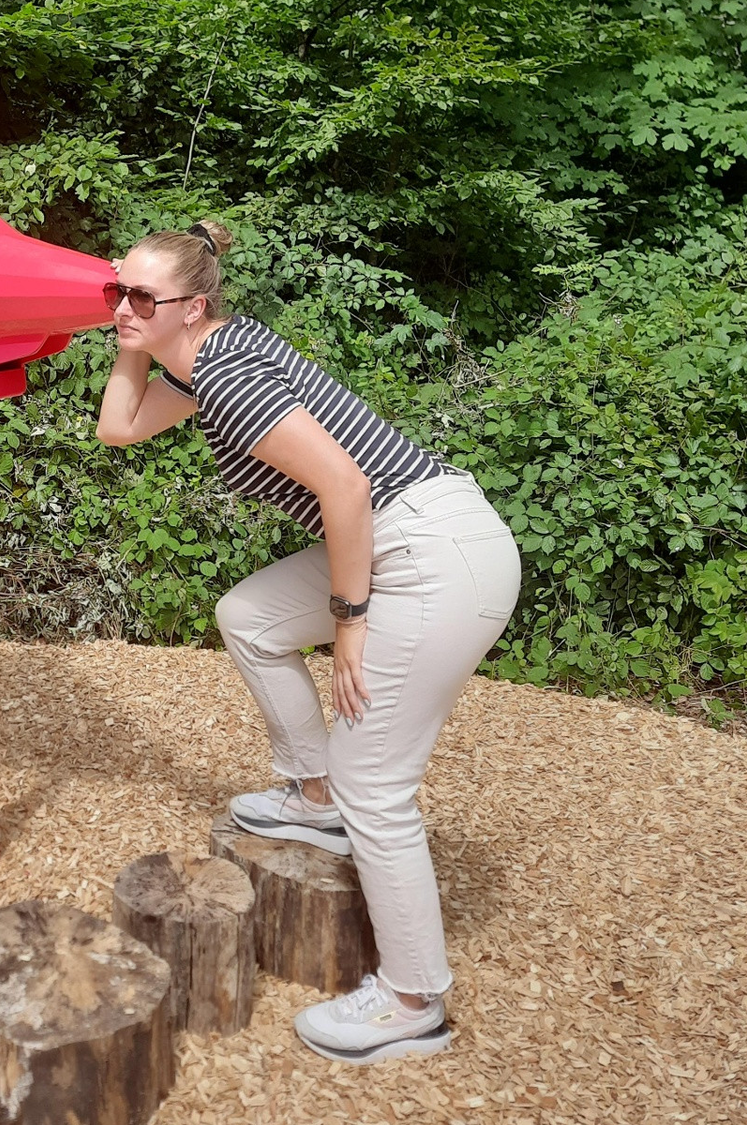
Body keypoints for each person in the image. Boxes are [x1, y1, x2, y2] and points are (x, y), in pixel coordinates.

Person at [95, 221, 520, 1064]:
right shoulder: (201, 360)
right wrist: (133, 339)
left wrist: (350, 622)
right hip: (409, 536)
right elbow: (119, 426)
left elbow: (346, 487)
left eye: (142, 296)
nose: (123, 308)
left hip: (434, 556)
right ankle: (313, 795)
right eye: (118, 292)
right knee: (249, 617)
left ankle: (412, 1001)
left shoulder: (229, 376)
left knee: (378, 786)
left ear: (195, 307)